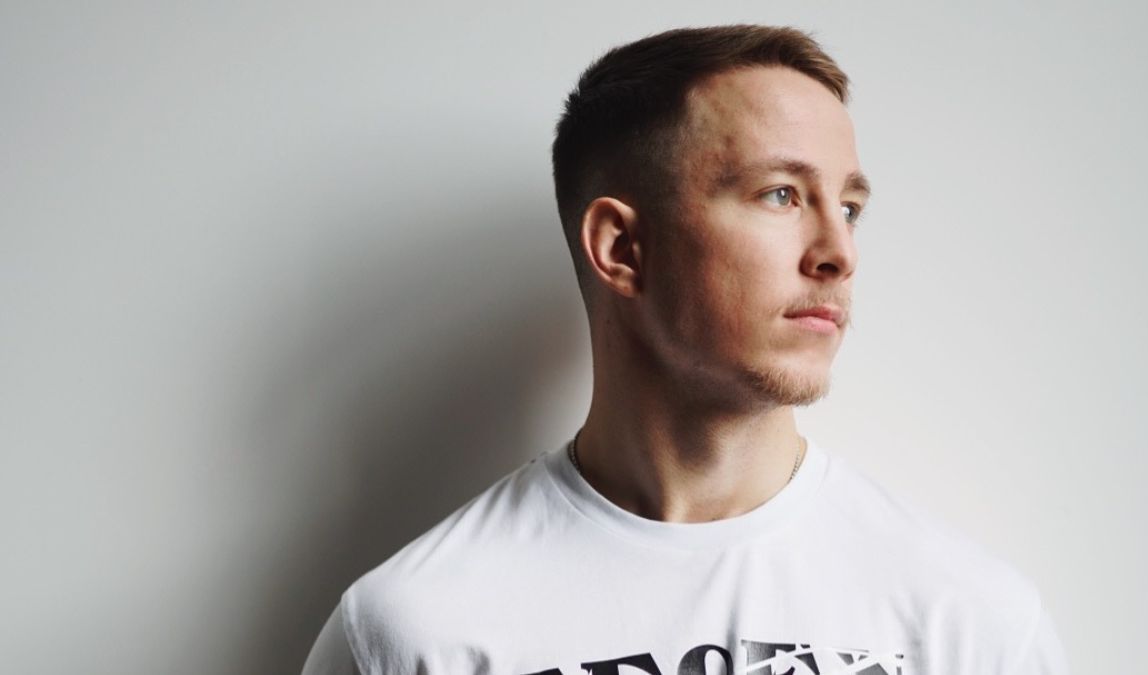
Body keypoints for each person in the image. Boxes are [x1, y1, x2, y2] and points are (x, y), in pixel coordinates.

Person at [301, 24, 1071, 675]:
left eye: (849, 206)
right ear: (621, 248)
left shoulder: (970, 624)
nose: (839, 252)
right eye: (781, 194)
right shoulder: (413, 629)